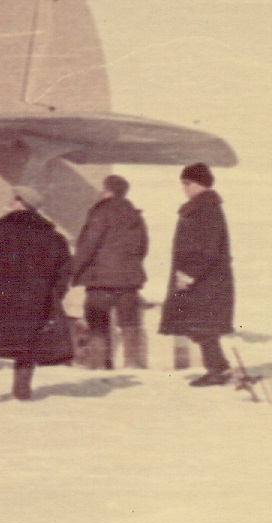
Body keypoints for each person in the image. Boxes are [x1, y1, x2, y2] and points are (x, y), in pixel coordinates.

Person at [0, 186, 74, 403]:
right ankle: (22, 392)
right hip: (35, 300)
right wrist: (50, 296)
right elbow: (64, 273)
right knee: (27, 345)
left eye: (14, 199)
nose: (11, 202)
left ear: (20, 202)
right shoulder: (53, 237)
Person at [159, 162, 236, 386]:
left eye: (187, 182)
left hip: (205, 280)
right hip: (201, 279)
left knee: (203, 326)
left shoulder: (207, 208)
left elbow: (208, 248)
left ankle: (218, 369)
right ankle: (218, 368)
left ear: (199, 183)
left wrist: (189, 274)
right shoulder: (201, 207)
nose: (183, 187)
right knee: (199, 326)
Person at [71, 174, 150, 369]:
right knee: (130, 324)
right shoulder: (135, 215)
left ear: (108, 191)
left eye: (103, 188)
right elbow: (143, 247)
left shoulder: (101, 212)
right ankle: (133, 364)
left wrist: (74, 270)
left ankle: (99, 365)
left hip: (100, 279)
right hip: (129, 280)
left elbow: (88, 245)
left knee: (97, 324)